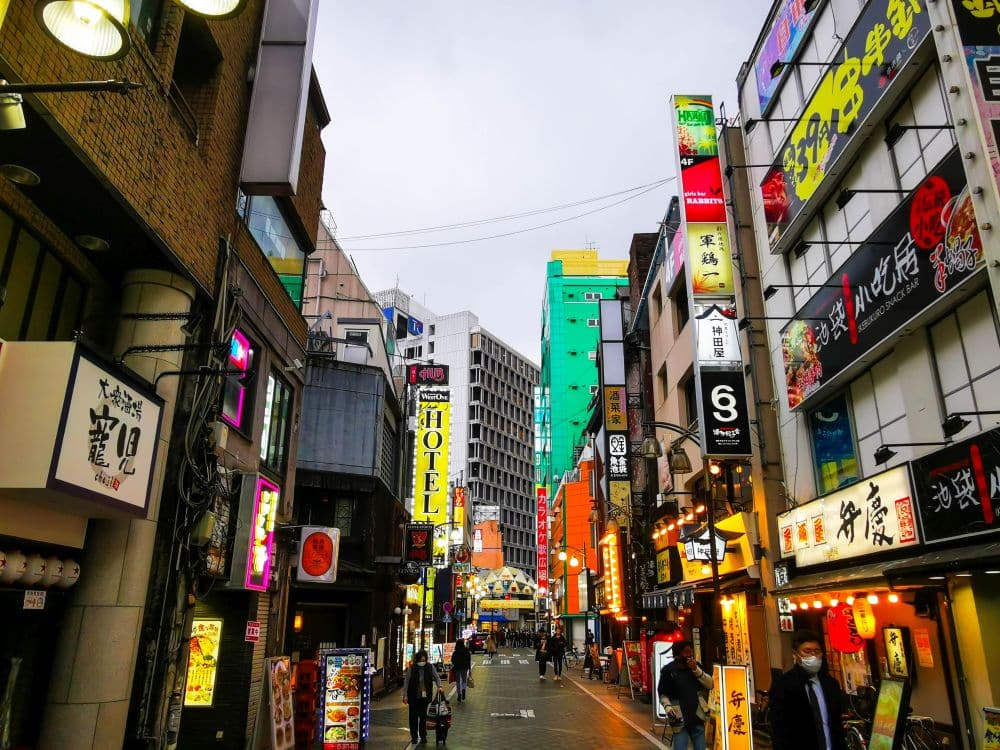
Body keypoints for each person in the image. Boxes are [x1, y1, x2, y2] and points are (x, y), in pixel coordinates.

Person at [769, 629, 847, 750]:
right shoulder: (782, 685)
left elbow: (837, 725)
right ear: (795, 654)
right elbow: (779, 729)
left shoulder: (830, 684)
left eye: (817, 651)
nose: (813, 656)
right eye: (807, 651)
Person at [657, 640, 713, 750]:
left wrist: (696, 670)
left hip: (697, 715)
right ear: (678, 654)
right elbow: (663, 693)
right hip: (679, 717)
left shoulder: (696, 667)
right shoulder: (669, 670)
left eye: (690, 652)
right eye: (686, 652)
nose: (689, 656)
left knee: (700, 746)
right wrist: (667, 707)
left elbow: (710, 684)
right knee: (680, 746)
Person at [402, 648, 444, 745]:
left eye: (424, 660)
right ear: (417, 660)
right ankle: (414, 737)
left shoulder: (430, 667)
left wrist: (440, 686)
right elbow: (406, 682)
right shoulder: (412, 669)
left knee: (423, 717)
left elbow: (437, 677)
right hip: (413, 696)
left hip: (425, 697)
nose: (422, 662)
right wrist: (405, 695)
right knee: (413, 718)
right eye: (421, 660)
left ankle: (423, 736)